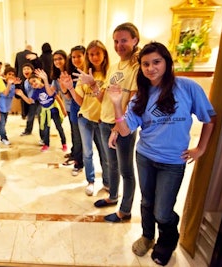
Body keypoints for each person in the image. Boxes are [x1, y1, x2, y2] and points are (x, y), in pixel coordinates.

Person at [107, 42, 216, 265]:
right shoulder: (141, 96)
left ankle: (167, 241)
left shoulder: (187, 87)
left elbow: (209, 118)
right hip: (145, 157)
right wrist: (117, 104)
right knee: (146, 202)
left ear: (167, 62)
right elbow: (125, 129)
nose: (151, 68)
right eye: (145, 64)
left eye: (156, 62)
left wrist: (201, 148)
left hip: (173, 161)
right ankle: (148, 236)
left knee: (163, 211)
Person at [93, 23, 140, 223]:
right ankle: (113, 196)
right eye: (116, 41)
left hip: (121, 127)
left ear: (135, 40)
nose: (119, 45)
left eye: (123, 40)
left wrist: (117, 126)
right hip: (105, 122)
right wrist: (92, 85)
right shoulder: (113, 66)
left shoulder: (137, 67)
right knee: (111, 164)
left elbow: (134, 101)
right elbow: (101, 97)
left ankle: (126, 210)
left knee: (126, 170)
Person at [66, 40, 110, 196]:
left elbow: (105, 99)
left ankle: (107, 181)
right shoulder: (84, 74)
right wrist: (70, 87)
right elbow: (80, 101)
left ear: (104, 53)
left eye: (98, 53)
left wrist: (93, 85)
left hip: (102, 120)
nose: (95, 57)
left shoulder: (109, 73)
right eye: (91, 54)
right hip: (84, 119)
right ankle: (90, 181)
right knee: (87, 153)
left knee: (105, 153)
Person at [15, 69, 67, 152]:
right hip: (45, 111)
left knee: (59, 127)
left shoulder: (48, 87)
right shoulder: (36, 92)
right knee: (46, 128)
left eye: (34, 81)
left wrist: (63, 109)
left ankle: (64, 143)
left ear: (39, 79)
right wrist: (22, 95)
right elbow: (29, 101)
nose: (33, 84)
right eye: (31, 84)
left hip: (54, 110)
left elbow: (57, 98)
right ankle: (46, 144)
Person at [59, 45, 86, 176]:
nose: (76, 59)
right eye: (73, 57)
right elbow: (69, 96)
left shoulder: (89, 72)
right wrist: (64, 87)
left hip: (90, 111)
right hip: (76, 110)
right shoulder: (73, 72)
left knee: (91, 142)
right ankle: (78, 162)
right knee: (77, 137)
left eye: (79, 56)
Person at [14, 45, 42, 118]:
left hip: (21, 76)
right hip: (31, 76)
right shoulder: (34, 54)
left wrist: (17, 76)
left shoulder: (18, 54)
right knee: (33, 93)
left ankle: (24, 113)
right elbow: (37, 65)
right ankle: (35, 112)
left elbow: (16, 67)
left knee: (23, 95)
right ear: (30, 49)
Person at [50, 49, 70, 153]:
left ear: (66, 59)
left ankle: (78, 159)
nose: (57, 61)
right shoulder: (56, 76)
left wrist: (64, 87)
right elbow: (51, 93)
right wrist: (44, 80)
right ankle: (74, 154)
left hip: (76, 106)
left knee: (78, 134)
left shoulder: (70, 73)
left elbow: (68, 96)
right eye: (55, 59)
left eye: (60, 59)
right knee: (75, 133)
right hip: (68, 107)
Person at [19, 63, 43, 144]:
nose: (26, 70)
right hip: (31, 102)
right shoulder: (24, 82)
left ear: (32, 70)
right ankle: (28, 130)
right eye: (24, 69)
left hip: (40, 101)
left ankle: (43, 138)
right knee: (30, 117)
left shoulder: (36, 79)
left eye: (28, 69)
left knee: (41, 118)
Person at [0, 66, 20, 145]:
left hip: (7, 108)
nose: (11, 76)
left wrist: (16, 84)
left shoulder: (13, 85)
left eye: (13, 75)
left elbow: (14, 94)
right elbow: (5, 93)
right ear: (5, 75)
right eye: (9, 74)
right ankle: (3, 137)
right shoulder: (1, 83)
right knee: (2, 123)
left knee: (3, 123)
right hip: (0, 108)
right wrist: (9, 84)